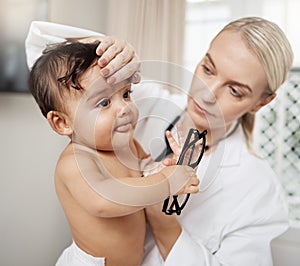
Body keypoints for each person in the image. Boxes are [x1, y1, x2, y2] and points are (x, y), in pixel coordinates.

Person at [25, 16, 293, 265]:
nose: (207, 94)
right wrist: (109, 48)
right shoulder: (128, 102)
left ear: (262, 102)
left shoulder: (259, 190)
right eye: (208, 69)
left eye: (234, 91)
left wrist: (164, 219)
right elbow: (51, 72)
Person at [28, 40, 199, 266]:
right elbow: (104, 200)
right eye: (105, 102)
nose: (124, 108)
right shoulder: (76, 161)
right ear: (62, 122)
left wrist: (167, 168)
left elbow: (146, 173)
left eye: (126, 94)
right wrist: (165, 182)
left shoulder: (128, 146)